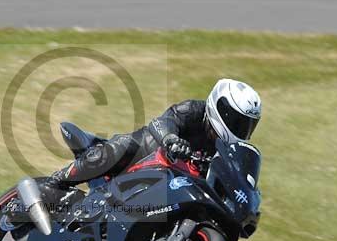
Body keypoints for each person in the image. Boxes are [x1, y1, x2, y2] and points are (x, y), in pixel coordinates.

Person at [44, 79, 262, 192]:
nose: (240, 129)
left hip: (170, 188)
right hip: (146, 157)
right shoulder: (194, 110)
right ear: (219, 107)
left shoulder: (226, 149)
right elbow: (163, 122)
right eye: (235, 120)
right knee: (125, 146)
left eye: (246, 125)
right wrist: (171, 140)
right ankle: (56, 181)